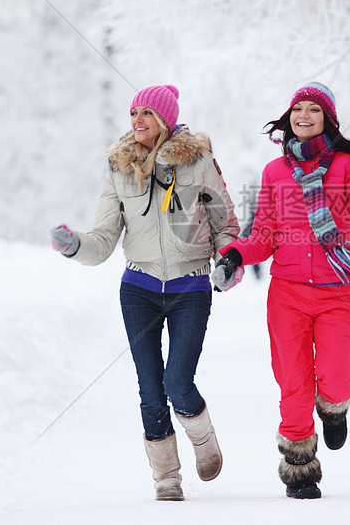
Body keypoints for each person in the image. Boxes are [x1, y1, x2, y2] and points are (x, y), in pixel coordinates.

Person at [212, 82, 350, 499]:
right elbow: (265, 235)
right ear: (288, 117)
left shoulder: (346, 166)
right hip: (287, 294)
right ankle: (300, 468)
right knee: (293, 383)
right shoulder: (275, 172)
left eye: (313, 109)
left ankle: (334, 407)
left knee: (337, 378)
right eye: (297, 109)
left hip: (337, 293)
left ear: (327, 119)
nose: (303, 116)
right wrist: (235, 254)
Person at [50, 84, 239, 502]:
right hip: (139, 289)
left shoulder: (199, 161)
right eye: (134, 112)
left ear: (167, 120)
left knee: (178, 382)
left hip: (191, 287)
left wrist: (229, 261)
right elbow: (103, 237)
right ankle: (166, 476)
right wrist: (76, 245)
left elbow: (226, 224)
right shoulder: (119, 168)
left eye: (147, 113)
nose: (138, 120)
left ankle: (203, 438)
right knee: (150, 389)